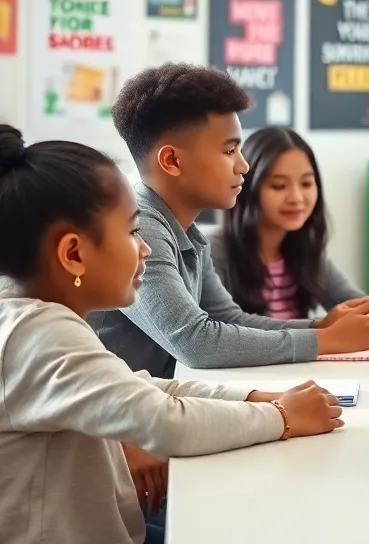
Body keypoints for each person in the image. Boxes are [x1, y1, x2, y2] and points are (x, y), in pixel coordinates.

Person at [0, 126, 343, 544]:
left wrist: (256, 398)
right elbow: (165, 422)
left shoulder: (32, 317)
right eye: (131, 233)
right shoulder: (40, 335)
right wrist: (284, 418)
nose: (144, 249)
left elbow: (144, 387)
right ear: (73, 253)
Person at [87, 63, 369, 381]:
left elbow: (227, 318)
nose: (243, 166)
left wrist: (321, 326)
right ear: (172, 160)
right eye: (229, 150)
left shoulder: (186, 232)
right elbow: (196, 343)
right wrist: (325, 340)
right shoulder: (140, 229)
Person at [209, 127, 364, 319]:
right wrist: (323, 329)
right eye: (279, 186)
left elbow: (357, 306)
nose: (296, 198)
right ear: (248, 189)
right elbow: (225, 332)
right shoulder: (213, 253)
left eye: (306, 183)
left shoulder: (305, 250)